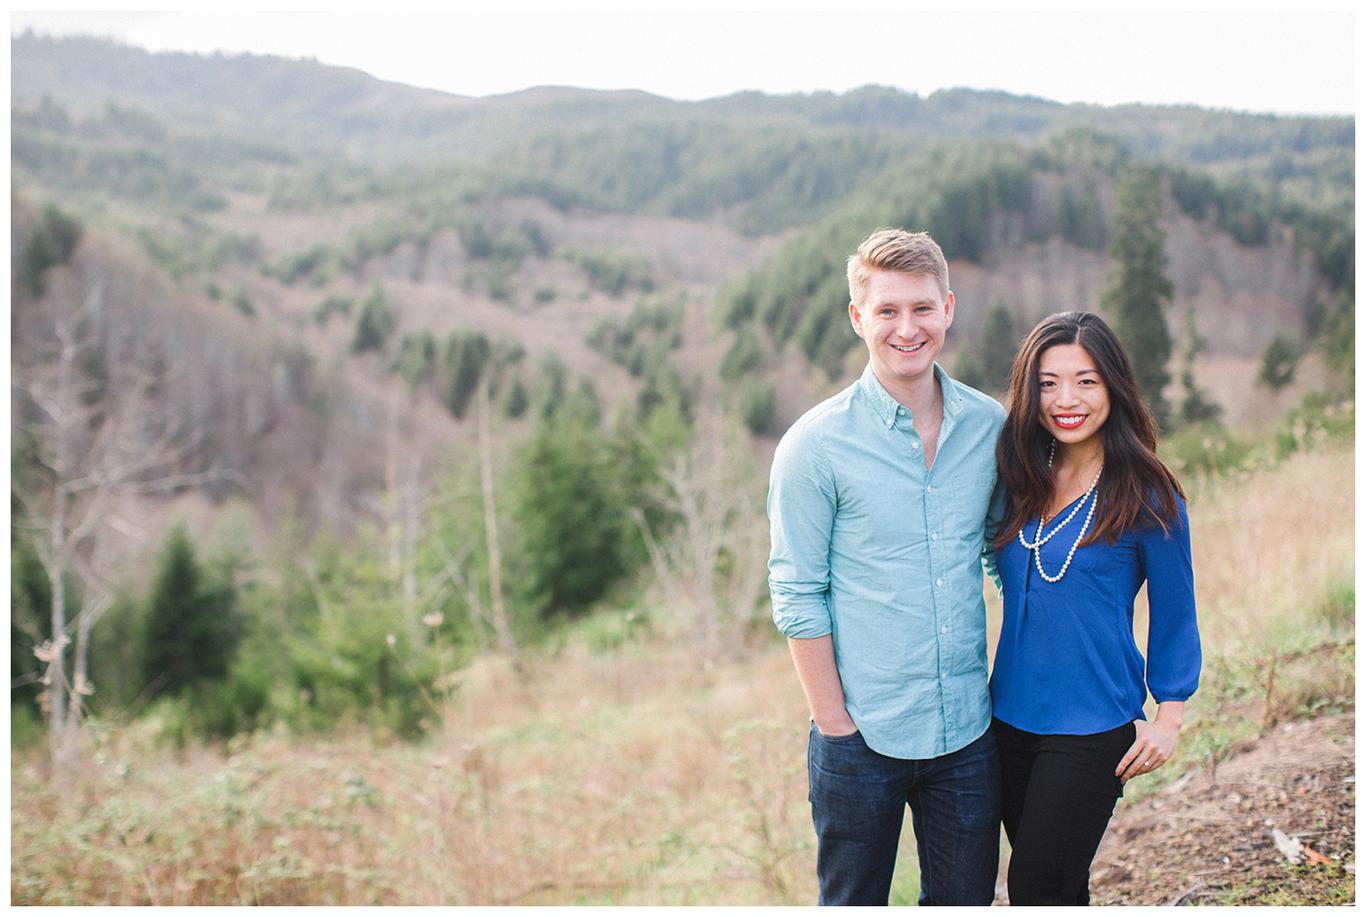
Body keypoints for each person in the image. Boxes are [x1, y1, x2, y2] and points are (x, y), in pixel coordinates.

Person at [767, 228, 1006, 906]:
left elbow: (1004, 553)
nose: (908, 328)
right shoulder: (814, 446)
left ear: (948, 309)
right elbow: (797, 593)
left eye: (923, 308)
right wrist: (835, 725)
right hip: (860, 737)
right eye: (887, 311)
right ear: (857, 317)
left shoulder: (989, 427)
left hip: (967, 733)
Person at [989, 311, 1202, 905]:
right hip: (1006, 718)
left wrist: (1170, 716)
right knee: (1059, 886)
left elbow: (1176, 611)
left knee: (1034, 887)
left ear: (1114, 386)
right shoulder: (1021, 477)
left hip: (1091, 724)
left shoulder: (1148, 493)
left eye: (1086, 381)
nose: (1066, 400)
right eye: (1049, 383)